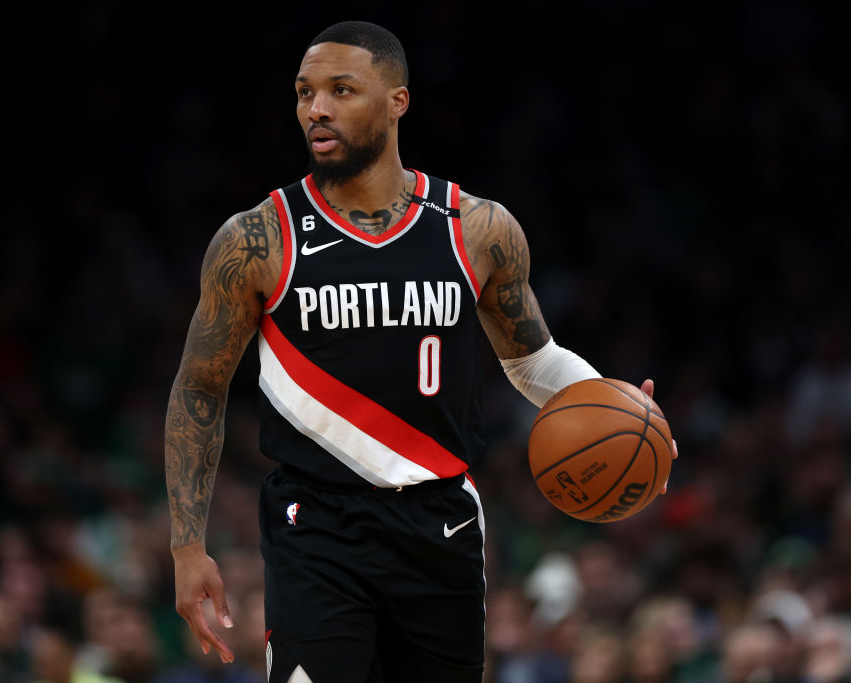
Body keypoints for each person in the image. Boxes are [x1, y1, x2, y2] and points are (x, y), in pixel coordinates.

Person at [164, 20, 676, 683]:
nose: (315, 109)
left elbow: (531, 360)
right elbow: (200, 387)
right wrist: (186, 544)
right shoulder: (257, 238)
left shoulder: (477, 227)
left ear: (397, 100)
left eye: (340, 90)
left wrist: (625, 407)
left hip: (441, 521)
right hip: (315, 524)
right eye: (304, 92)